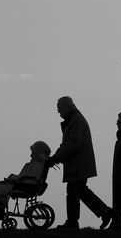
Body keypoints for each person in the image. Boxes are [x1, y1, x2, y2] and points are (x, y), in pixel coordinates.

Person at [46, 96, 115, 229]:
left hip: (78, 164)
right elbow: (67, 144)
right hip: (78, 163)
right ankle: (104, 212)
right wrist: (56, 157)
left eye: (60, 109)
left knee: (73, 191)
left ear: (67, 107)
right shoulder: (74, 120)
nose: (59, 112)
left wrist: (56, 158)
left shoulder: (76, 121)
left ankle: (74, 221)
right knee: (80, 190)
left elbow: (73, 145)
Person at [0, 140, 52, 227]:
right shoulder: (30, 164)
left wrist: (14, 177)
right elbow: (24, 176)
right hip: (20, 184)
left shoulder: (38, 166)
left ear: (40, 154)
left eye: (33, 153)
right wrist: (14, 178)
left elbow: (30, 179)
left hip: (25, 186)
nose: (31, 155)